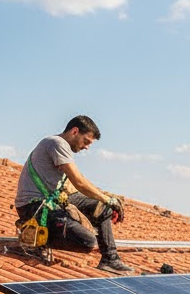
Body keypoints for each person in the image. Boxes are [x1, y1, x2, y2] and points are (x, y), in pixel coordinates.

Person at [14, 115, 134, 274]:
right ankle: (34, 238)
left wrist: (106, 200)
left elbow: (74, 186)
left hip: (50, 201)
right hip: (34, 207)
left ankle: (110, 260)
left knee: (102, 208)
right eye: (86, 141)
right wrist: (108, 199)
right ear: (75, 131)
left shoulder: (60, 147)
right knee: (87, 241)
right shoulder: (57, 143)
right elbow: (78, 181)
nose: (86, 148)